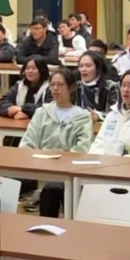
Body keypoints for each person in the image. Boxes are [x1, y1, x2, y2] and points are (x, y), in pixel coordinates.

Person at [23, 67, 94, 217]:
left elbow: (83, 148)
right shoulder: (42, 112)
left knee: (53, 189)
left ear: (71, 87)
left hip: (68, 172)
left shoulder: (82, 117)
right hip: (40, 168)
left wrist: (61, 162)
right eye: (52, 84)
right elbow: (28, 142)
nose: (55, 89)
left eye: (60, 84)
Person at [0, 56, 49, 120]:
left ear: (42, 70)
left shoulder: (50, 87)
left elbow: (49, 108)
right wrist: (15, 112)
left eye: (34, 68)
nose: (30, 71)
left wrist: (23, 109)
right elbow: (3, 102)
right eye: (27, 68)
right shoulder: (19, 85)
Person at [75, 50, 118, 116]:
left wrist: (98, 116)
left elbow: (114, 113)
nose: (83, 69)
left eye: (88, 66)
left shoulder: (111, 87)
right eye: (81, 66)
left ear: (98, 68)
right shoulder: (76, 87)